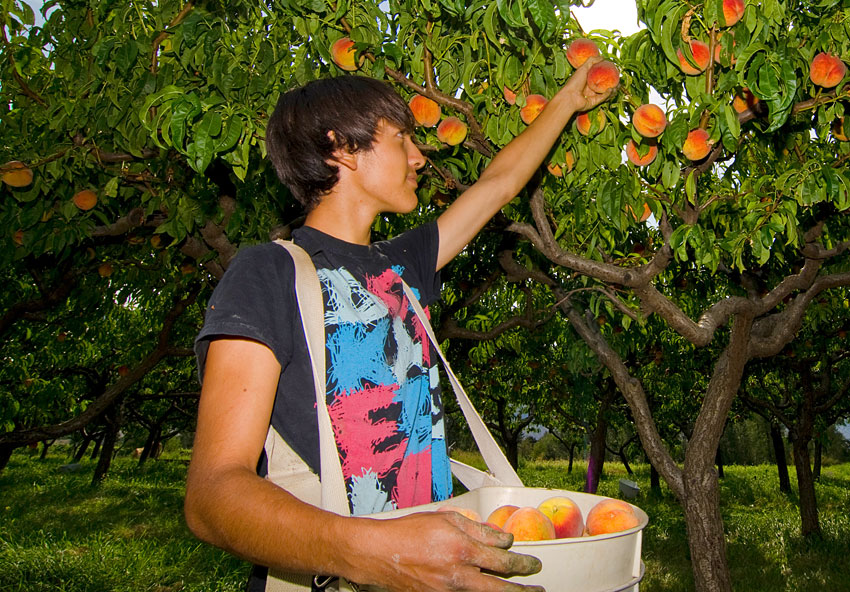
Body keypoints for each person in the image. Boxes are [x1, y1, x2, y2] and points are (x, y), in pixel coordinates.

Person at [184, 59, 614, 592]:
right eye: (402, 138)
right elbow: (213, 494)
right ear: (341, 148)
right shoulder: (268, 273)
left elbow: (498, 184)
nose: (420, 156)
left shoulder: (401, 268)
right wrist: (374, 555)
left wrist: (567, 102)